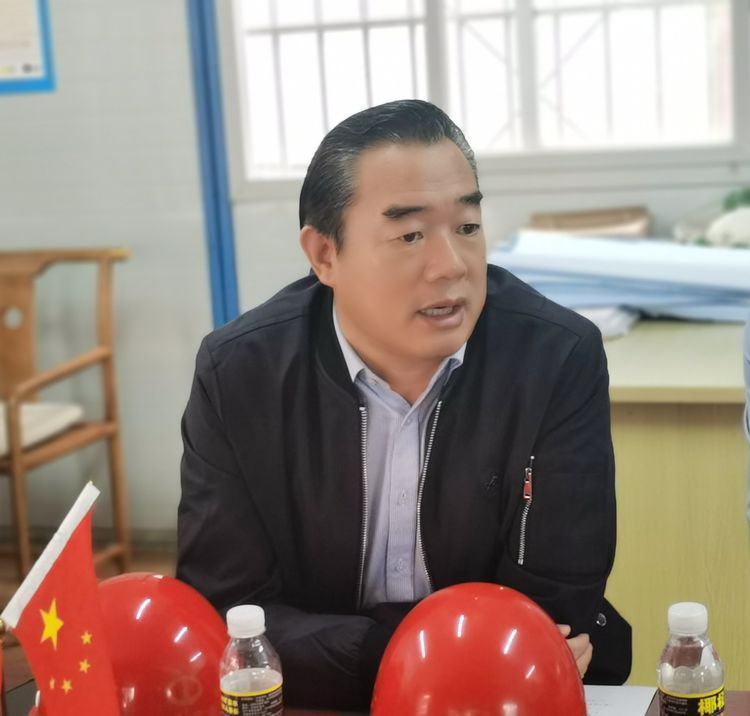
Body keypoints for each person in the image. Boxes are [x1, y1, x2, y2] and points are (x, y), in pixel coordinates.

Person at [177, 99, 631, 709]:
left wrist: (334, 644)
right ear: (324, 255)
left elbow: (556, 611)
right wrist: (411, 653)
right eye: (410, 235)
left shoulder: (555, 357)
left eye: (467, 227)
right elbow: (228, 616)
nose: (451, 266)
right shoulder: (240, 372)